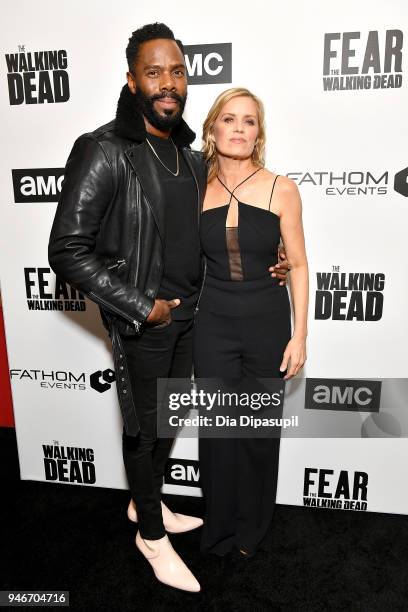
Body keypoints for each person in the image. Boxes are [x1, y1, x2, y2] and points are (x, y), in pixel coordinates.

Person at [48, 24, 290, 592]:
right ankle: (152, 538)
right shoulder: (105, 149)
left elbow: (219, 231)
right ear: (132, 80)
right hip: (145, 320)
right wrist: (141, 307)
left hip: (194, 317)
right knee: (146, 431)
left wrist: (270, 258)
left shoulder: (187, 153)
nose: (168, 83)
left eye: (177, 72)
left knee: (170, 420)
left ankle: (144, 506)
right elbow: (66, 249)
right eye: (154, 72)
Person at [194, 87, 308, 557]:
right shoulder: (192, 186)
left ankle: (253, 528)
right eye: (229, 119)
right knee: (218, 433)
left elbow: (297, 264)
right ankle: (217, 529)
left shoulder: (283, 188)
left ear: (259, 133)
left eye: (249, 121)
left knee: (259, 432)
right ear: (212, 128)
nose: (238, 129)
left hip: (266, 322)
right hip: (212, 323)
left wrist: (300, 334)